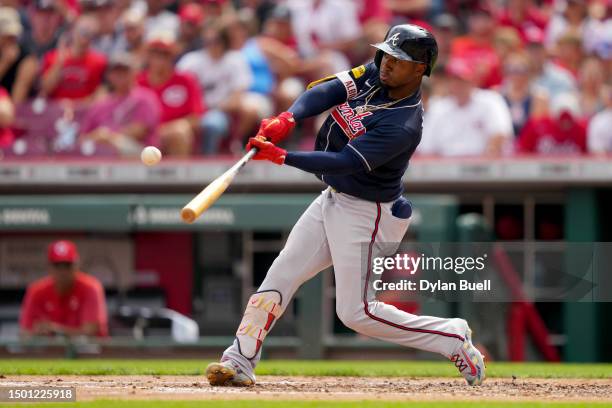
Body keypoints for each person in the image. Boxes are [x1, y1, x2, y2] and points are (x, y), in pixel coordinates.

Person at [205, 25, 486, 387]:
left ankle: (450, 337)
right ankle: (239, 360)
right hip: (334, 199)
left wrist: (282, 157)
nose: (386, 64)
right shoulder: (374, 73)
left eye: (398, 60)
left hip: (369, 213)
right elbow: (327, 90)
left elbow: (344, 162)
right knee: (281, 273)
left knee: (357, 313)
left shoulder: (404, 123)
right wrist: (289, 117)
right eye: (385, 54)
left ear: (419, 69)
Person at [419, 57, 513, 156]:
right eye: (454, 80)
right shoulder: (438, 107)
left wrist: (486, 158)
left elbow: (500, 134)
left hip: (484, 165)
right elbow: (427, 147)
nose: (458, 85)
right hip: (446, 166)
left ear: (473, 80)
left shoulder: (490, 100)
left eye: (462, 80)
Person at [19, 240, 108, 338]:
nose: (63, 272)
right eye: (57, 266)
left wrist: (55, 330)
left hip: (87, 352)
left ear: (76, 265)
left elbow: (91, 332)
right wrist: (37, 333)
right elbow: (24, 333)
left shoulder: (90, 288)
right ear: (49, 267)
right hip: (48, 351)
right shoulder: (36, 291)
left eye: (67, 265)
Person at [80, 52, 160, 156]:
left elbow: (140, 131)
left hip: (141, 153)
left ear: (133, 73)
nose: (120, 75)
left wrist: (108, 136)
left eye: (125, 71)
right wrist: (97, 137)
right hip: (101, 152)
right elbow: (83, 136)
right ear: (109, 75)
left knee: (111, 144)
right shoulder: (100, 104)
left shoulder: (144, 98)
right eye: (116, 71)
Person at [137, 30, 204, 156]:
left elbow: (196, 119)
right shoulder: (138, 82)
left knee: (178, 132)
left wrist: (166, 129)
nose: (159, 58)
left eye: (164, 54)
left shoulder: (185, 80)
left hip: (172, 136)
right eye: (154, 53)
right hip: (142, 138)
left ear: (172, 56)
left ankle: (182, 174)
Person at [40, 15, 107, 102]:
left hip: (84, 111)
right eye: (83, 31)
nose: (86, 37)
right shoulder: (52, 57)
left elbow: (99, 95)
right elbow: (45, 89)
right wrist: (59, 63)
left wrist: (74, 105)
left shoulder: (100, 61)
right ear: (73, 30)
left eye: (91, 34)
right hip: (55, 110)